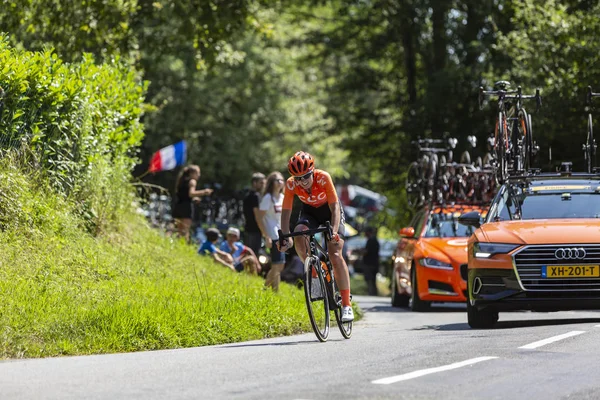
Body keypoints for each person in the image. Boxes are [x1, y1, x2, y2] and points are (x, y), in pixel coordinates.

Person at [278, 151, 354, 322]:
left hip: (330, 211)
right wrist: (285, 236)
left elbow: (335, 208)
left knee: (335, 253)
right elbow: (286, 214)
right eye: (297, 178)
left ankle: (347, 305)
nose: (302, 182)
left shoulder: (323, 177)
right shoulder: (291, 185)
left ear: (312, 172)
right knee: (299, 234)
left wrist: (334, 232)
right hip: (310, 212)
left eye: (305, 176)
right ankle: (316, 269)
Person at [257, 171, 286, 291]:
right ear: (271, 183)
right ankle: (271, 291)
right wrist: (266, 235)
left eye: (281, 180)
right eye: (277, 180)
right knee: (276, 264)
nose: (280, 183)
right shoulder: (268, 198)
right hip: (272, 235)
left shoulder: (283, 197)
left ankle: (269, 289)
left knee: (280, 265)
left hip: (280, 234)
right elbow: (259, 217)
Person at [172, 165, 213, 242]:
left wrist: (193, 198)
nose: (199, 175)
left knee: (178, 230)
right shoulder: (192, 181)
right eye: (197, 173)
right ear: (192, 173)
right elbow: (191, 193)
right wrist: (204, 192)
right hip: (186, 207)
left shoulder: (181, 180)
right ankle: (184, 247)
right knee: (185, 230)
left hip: (178, 206)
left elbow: (184, 194)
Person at [243, 172, 266, 256]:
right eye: (261, 183)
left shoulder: (249, 195)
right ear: (254, 183)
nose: (263, 185)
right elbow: (257, 216)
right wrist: (264, 231)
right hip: (254, 231)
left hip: (249, 229)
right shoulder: (254, 196)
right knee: (253, 255)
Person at [362, 226, 380, 296]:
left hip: (370, 263)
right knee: (373, 280)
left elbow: (366, 251)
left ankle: (372, 293)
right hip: (374, 263)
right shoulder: (375, 240)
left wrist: (359, 251)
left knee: (370, 279)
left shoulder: (371, 240)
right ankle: (373, 293)